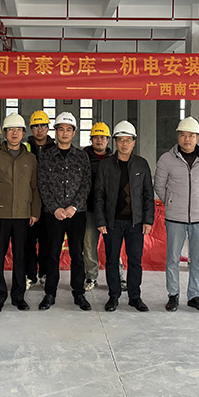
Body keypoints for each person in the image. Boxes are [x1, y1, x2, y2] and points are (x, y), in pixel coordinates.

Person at [154, 116, 199, 313]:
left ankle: (194, 296)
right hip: (175, 218)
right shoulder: (166, 159)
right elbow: (159, 185)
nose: (187, 139)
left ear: (197, 137)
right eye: (183, 135)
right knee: (172, 258)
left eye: (191, 135)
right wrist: (171, 202)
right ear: (178, 136)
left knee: (197, 259)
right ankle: (173, 295)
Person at [0, 112, 41, 313]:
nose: (14, 133)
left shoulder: (30, 158)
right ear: (5, 133)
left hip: (23, 215)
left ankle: (18, 296)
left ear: (23, 133)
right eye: (10, 129)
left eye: (18, 130)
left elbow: (35, 187)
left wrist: (35, 211)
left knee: (20, 257)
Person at [93, 120, 154, 312]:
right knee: (112, 260)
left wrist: (148, 219)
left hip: (135, 223)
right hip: (113, 222)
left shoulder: (141, 164)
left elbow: (148, 194)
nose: (124, 144)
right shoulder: (106, 165)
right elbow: (99, 194)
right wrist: (101, 220)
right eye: (120, 140)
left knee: (135, 260)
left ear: (134, 142)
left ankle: (135, 297)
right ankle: (114, 296)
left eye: (128, 140)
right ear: (115, 142)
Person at [37, 112, 92, 311]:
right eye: (61, 129)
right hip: (53, 215)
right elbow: (42, 184)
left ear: (74, 133)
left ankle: (79, 293)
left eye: (69, 130)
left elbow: (86, 184)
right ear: (56, 132)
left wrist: (73, 207)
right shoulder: (46, 156)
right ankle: (50, 293)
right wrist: (55, 208)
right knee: (52, 254)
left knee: (77, 254)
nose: (65, 133)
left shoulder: (82, 157)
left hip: (76, 214)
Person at [82, 122, 116, 291]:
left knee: (114, 246)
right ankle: (91, 277)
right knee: (89, 245)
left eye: (103, 137)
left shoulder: (115, 159)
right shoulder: (83, 158)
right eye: (96, 137)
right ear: (91, 139)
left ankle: (117, 277)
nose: (99, 140)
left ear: (108, 140)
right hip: (89, 209)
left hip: (110, 211)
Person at [25, 110, 55, 290]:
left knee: (47, 241)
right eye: (36, 126)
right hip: (28, 202)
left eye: (43, 125)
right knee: (28, 241)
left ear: (47, 128)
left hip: (49, 203)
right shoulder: (25, 147)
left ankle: (44, 273)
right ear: (31, 129)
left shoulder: (55, 147)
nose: (39, 129)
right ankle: (30, 275)